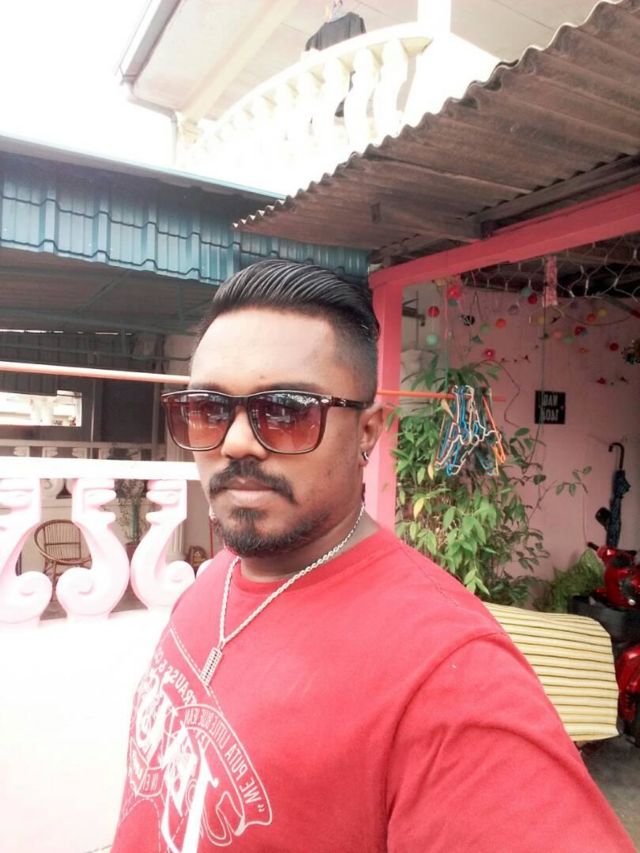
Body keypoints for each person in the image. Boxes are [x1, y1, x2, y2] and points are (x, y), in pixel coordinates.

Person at [111, 259, 634, 852]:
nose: (234, 442)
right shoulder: (224, 574)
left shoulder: (449, 677)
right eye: (208, 409)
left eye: (286, 411)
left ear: (367, 432)